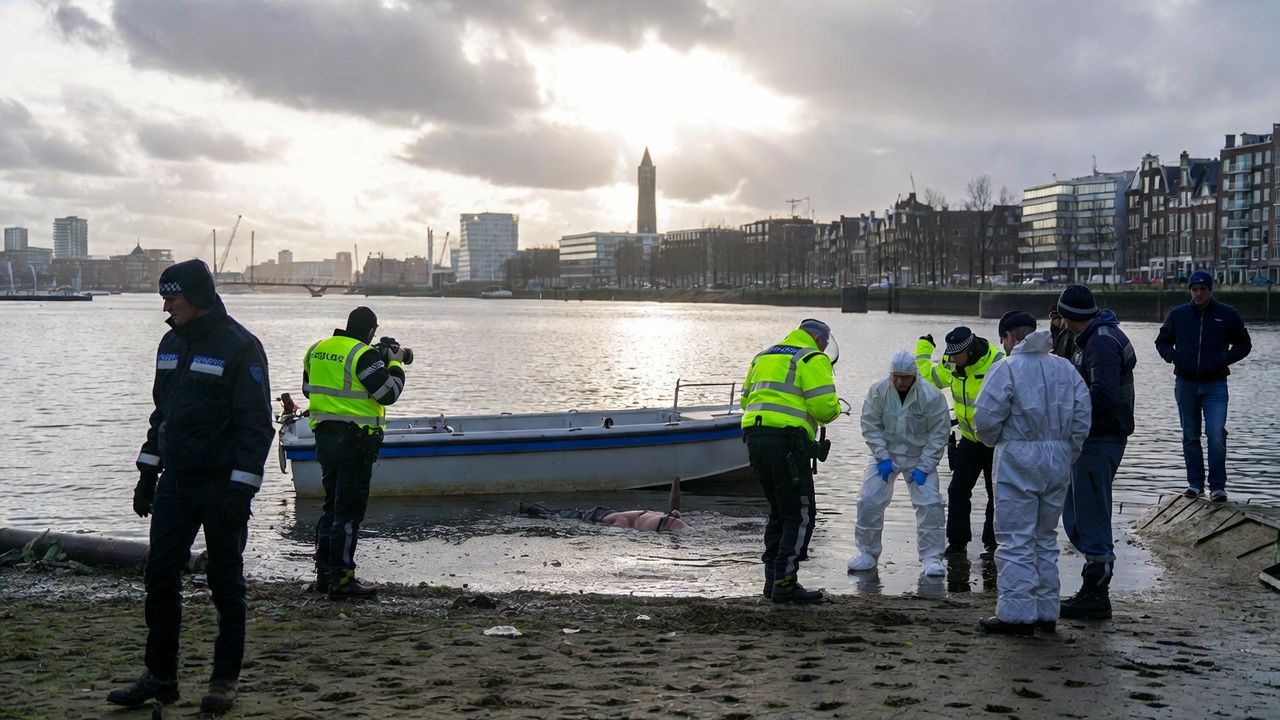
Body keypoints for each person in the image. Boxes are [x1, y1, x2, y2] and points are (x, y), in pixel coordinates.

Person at [109, 259, 274, 714]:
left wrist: (241, 492)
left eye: (173, 298)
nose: (166, 306)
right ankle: (160, 676)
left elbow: (257, 428)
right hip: (176, 483)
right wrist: (147, 473)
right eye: (164, 297)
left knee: (225, 583)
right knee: (159, 577)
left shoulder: (241, 347)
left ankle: (224, 681)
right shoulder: (170, 342)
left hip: (223, 486)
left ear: (197, 298)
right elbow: (163, 415)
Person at [973, 311, 1090, 637]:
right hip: (1058, 458)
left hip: (1019, 456)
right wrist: (1069, 451)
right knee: (1044, 537)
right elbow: (1083, 416)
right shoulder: (1065, 368)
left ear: (1009, 337)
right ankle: (1044, 611)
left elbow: (984, 419)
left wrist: (997, 442)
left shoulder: (1007, 368)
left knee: (1015, 538)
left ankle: (1016, 615)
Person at [303, 307, 408, 599]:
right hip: (356, 442)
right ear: (371, 331)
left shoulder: (317, 349)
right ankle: (343, 580)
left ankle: (323, 576)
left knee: (330, 509)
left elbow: (306, 389)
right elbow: (388, 393)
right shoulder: (363, 355)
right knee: (348, 514)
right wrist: (397, 364)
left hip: (324, 438)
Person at [741, 318, 841, 603]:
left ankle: (772, 581)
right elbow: (824, 408)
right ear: (820, 340)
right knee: (800, 514)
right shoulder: (812, 357)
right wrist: (833, 409)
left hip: (754, 440)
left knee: (778, 512)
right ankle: (785, 583)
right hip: (787, 443)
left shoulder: (764, 355)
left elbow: (746, 400)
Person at [1056, 284, 1137, 621]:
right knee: (1078, 512)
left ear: (1067, 316)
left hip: (1099, 438)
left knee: (1090, 512)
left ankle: (1097, 592)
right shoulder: (1095, 336)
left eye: (1060, 316)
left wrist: (1066, 411)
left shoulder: (1100, 341)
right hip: (1095, 437)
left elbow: (1101, 394)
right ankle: (1093, 585)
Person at [848, 349, 950, 577]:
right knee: (868, 500)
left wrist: (924, 467)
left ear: (914, 375)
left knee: (930, 504)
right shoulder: (878, 390)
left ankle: (932, 557)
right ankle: (867, 553)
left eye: (904, 377)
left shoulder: (931, 396)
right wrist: (882, 457)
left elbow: (939, 435)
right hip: (885, 455)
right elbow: (870, 424)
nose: (899, 381)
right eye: (895, 375)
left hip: (919, 457)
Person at [1154, 270, 1252, 502]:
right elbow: (1162, 341)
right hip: (1185, 383)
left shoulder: (1227, 314)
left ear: (1210, 290)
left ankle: (1218, 487)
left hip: (1215, 385)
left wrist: (1223, 358)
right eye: (1194, 289)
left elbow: (1244, 345)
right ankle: (1195, 484)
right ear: (1190, 290)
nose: (1198, 293)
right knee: (1190, 435)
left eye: (1203, 289)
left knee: (1216, 433)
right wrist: (1174, 357)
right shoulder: (1178, 315)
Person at [915, 325, 1005, 557]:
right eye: (950, 355)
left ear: (971, 351)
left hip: (995, 442)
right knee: (957, 491)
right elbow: (928, 377)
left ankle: (994, 545)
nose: (952, 360)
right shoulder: (953, 364)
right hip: (968, 440)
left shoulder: (998, 363)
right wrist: (923, 348)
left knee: (996, 494)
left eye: (957, 355)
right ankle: (957, 545)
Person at [519, 477, 690, 532]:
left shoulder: (623, 520)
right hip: (661, 520)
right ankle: (530, 509)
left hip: (660, 521)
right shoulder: (625, 519)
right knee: (554, 514)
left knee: (559, 514)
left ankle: (531, 509)